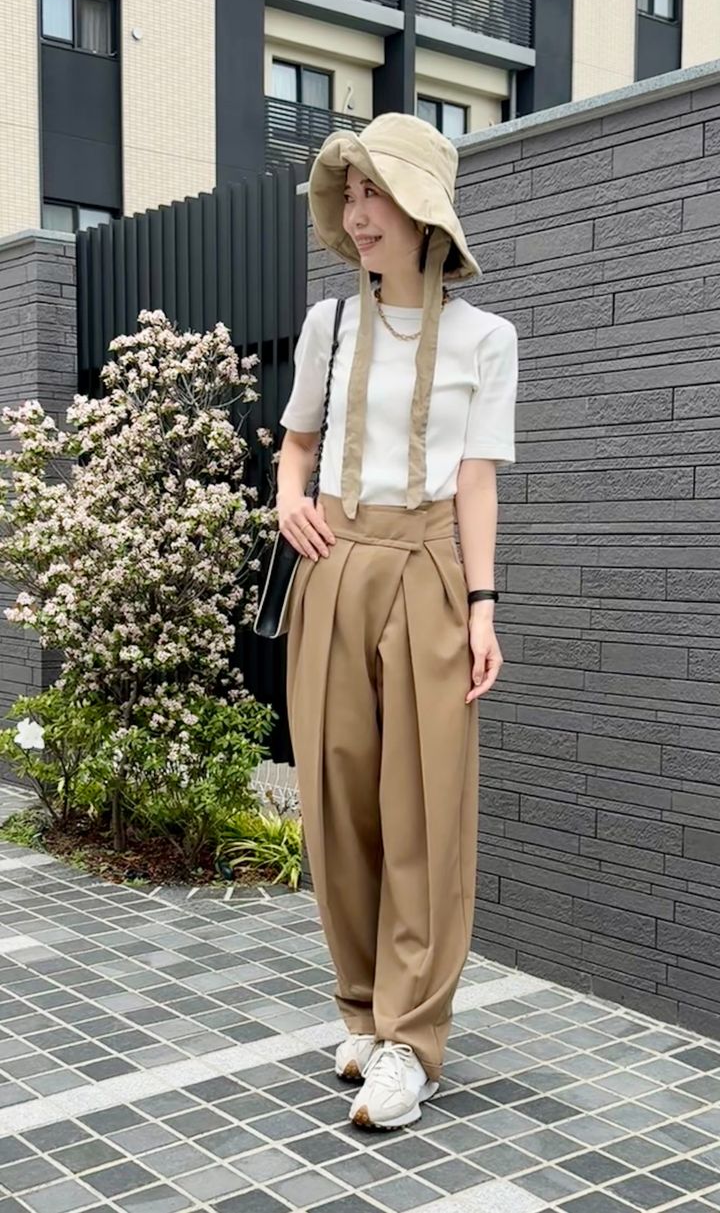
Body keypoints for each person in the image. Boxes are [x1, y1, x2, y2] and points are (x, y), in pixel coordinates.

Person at [276, 112, 518, 1132]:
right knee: (337, 805)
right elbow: (296, 443)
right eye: (351, 193)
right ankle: (365, 1010)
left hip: (427, 568)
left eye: (375, 193)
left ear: (424, 212)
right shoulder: (328, 326)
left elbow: (476, 483)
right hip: (334, 564)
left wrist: (482, 607)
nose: (358, 213)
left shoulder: (486, 339)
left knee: (426, 806)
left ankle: (412, 1041)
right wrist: (288, 497)